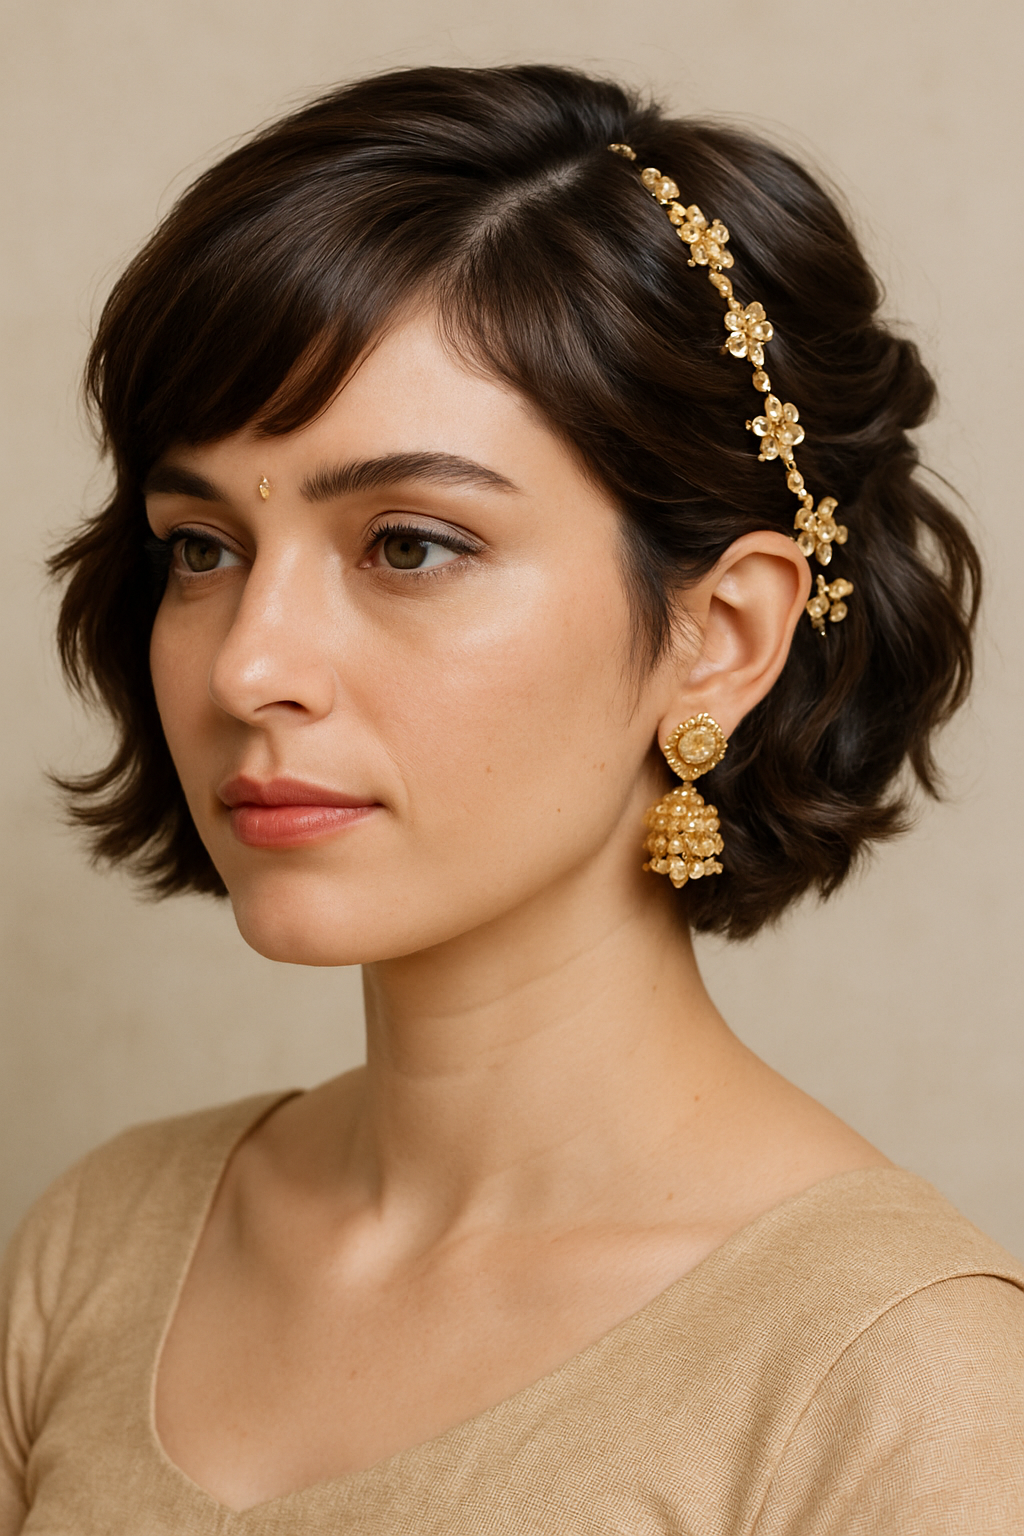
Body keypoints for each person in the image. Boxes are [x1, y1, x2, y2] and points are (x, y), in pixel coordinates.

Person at [1, 62, 1021, 1535]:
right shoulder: (102, 1245)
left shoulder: (898, 1380)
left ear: (721, 633)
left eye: (409, 545)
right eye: (203, 545)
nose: (251, 665)